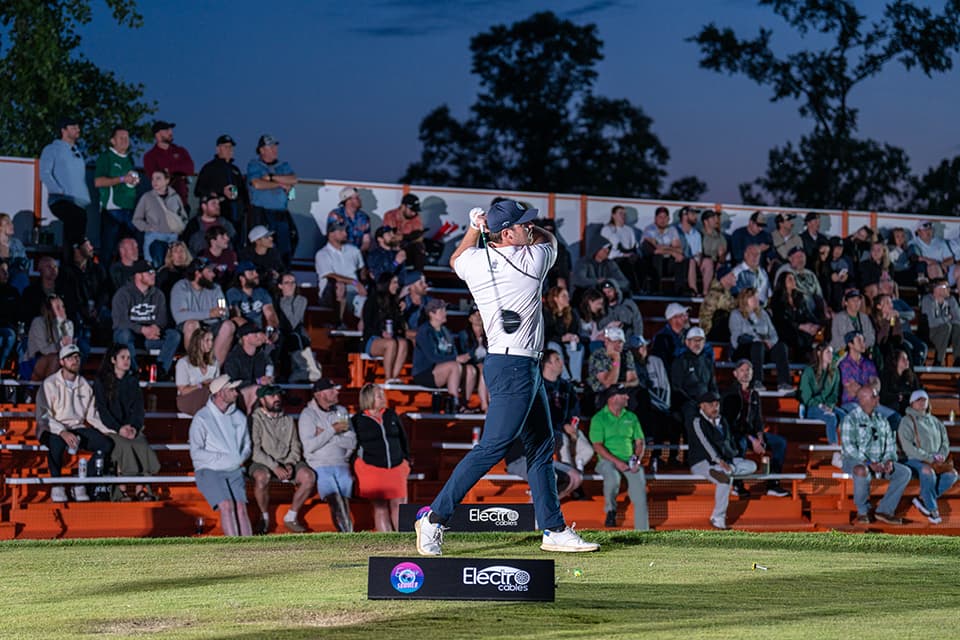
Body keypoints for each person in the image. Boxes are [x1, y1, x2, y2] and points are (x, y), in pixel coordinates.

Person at [415, 200, 598, 555]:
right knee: (492, 447)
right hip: (514, 367)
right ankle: (434, 518)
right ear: (508, 233)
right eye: (524, 226)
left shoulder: (477, 262)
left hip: (516, 365)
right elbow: (550, 240)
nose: (531, 229)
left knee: (543, 446)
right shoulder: (530, 262)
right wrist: (499, 231)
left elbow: (456, 260)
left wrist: (473, 228)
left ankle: (553, 529)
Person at [35, 344, 114, 503]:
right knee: (56, 442)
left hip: (77, 428)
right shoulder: (49, 384)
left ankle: (80, 482)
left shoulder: (84, 385)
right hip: (51, 427)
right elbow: (43, 415)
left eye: (77, 357)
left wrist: (111, 431)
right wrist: (62, 431)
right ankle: (57, 485)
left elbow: (92, 416)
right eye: (70, 358)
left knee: (106, 444)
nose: (75, 361)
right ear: (62, 362)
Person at [93, 343, 161, 500]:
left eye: (129, 358)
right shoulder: (101, 382)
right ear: (113, 360)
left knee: (141, 444)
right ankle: (121, 491)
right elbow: (103, 411)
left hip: (131, 427)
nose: (126, 361)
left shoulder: (132, 381)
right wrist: (119, 428)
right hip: (111, 428)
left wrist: (135, 428)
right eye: (123, 357)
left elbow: (138, 409)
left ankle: (140, 490)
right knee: (122, 446)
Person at [189, 375, 252, 536]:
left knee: (240, 507)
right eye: (231, 389)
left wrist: (238, 459)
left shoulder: (239, 417)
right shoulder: (201, 418)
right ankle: (235, 548)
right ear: (219, 393)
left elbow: (247, 446)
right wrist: (224, 458)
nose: (236, 393)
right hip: (209, 470)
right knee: (226, 505)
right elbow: (196, 452)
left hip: (233, 469)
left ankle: (251, 549)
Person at [248, 385, 315, 534]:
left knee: (308, 476)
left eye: (278, 395)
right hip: (263, 462)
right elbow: (255, 451)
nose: (277, 399)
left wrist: (290, 463)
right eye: (272, 396)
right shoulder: (254, 419)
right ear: (262, 400)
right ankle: (264, 518)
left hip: (287, 460)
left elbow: (295, 446)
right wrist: (274, 467)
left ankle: (291, 516)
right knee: (261, 476)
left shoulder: (288, 419)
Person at [686, 391, 757, 530]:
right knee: (724, 479)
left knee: (752, 465)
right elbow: (705, 443)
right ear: (702, 406)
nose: (715, 407)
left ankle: (728, 470)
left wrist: (730, 459)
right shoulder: (697, 421)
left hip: (725, 461)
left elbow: (728, 443)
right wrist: (719, 461)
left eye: (717, 404)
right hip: (702, 462)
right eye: (711, 404)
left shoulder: (722, 421)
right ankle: (718, 518)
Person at [840, 386, 910, 525]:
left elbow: (890, 444)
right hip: (856, 461)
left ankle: (884, 510)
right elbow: (849, 448)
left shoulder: (882, 420)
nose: (877, 398)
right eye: (874, 396)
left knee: (904, 472)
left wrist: (889, 460)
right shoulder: (851, 419)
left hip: (879, 462)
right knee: (861, 470)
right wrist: (868, 462)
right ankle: (862, 511)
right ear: (863, 400)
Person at [721, 359, 791, 498]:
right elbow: (730, 424)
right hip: (735, 435)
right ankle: (737, 484)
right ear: (735, 373)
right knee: (740, 443)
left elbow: (758, 419)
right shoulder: (730, 393)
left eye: (748, 370)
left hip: (752, 435)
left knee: (780, 442)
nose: (746, 373)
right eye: (742, 370)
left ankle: (773, 484)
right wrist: (752, 439)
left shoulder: (754, 394)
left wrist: (759, 435)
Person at [298, 378, 357, 532]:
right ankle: (347, 534)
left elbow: (352, 442)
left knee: (343, 495)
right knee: (335, 497)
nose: (336, 392)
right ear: (319, 394)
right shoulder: (308, 415)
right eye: (331, 390)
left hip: (341, 462)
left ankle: (346, 532)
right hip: (320, 464)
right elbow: (310, 446)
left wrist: (327, 434)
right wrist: (333, 430)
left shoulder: (341, 412)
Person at [590, 384, 649, 530]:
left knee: (639, 490)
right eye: (624, 395)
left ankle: (642, 531)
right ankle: (611, 510)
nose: (628, 397)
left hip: (629, 460)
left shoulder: (631, 417)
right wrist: (617, 462)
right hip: (607, 460)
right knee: (612, 477)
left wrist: (636, 459)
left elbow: (640, 442)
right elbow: (597, 446)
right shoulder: (599, 418)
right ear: (614, 398)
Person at [352, 383, 410, 532]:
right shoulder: (358, 420)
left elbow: (403, 439)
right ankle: (387, 541)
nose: (383, 398)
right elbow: (352, 445)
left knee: (400, 504)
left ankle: (403, 540)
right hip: (372, 468)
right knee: (380, 507)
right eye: (379, 396)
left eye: (383, 395)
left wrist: (406, 461)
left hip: (396, 467)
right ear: (369, 398)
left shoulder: (390, 415)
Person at [111, 260, 181, 378]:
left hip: (151, 337)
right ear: (138, 275)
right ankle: (134, 370)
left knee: (174, 335)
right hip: (131, 336)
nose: (154, 275)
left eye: (153, 272)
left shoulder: (158, 294)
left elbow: (162, 319)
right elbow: (120, 321)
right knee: (123, 334)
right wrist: (142, 329)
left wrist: (155, 328)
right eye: (149, 273)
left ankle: (161, 369)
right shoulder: (123, 293)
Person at [898, 390, 957, 525]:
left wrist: (941, 455)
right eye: (918, 400)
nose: (922, 402)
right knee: (927, 472)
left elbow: (945, 442)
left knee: (952, 475)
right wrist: (930, 458)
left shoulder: (936, 422)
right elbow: (908, 447)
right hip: (915, 460)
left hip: (936, 461)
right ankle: (932, 509)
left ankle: (924, 499)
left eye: (924, 399)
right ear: (912, 403)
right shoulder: (906, 421)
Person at [412, 298, 477, 413]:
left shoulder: (445, 331)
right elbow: (432, 358)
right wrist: (455, 359)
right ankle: (454, 403)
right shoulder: (425, 331)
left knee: (471, 370)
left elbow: (453, 353)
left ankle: (464, 405)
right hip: (425, 371)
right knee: (454, 366)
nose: (445, 313)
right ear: (432, 314)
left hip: (443, 368)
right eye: (441, 311)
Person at [39, 116, 90, 258]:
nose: (78, 130)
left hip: (79, 201)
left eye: (78, 127)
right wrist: (59, 191)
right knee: (76, 221)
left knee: (74, 228)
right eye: (73, 127)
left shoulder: (78, 152)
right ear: (63, 130)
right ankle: (73, 257)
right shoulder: (52, 149)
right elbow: (45, 173)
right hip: (61, 199)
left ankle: (72, 263)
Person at [247, 135, 298, 267]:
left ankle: (284, 274)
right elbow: (257, 184)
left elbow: (293, 180)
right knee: (262, 246)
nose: (274, 149)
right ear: (262, 150)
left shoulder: (284, 165)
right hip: (261, 213)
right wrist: (280, 184)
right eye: (270, 147)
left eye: (275, 146)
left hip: (281, 212)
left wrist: (270, 177)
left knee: (286, 244)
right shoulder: (254, 165)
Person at [170, 258, 234, 364]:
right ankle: (196, 367)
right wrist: (209, 313)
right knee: (192, 324)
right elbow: (179, 316)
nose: (213, 275)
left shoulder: (215, 288)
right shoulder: (181, 287)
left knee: (229, 325)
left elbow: (224, 312)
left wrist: (218, 313)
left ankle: (214, 369)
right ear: (198, 273)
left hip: (212, 325)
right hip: (189, 327)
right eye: (209, 271)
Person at [93, 126, 140, 268]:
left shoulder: (130, 159)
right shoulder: (106, 157)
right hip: (113, 211)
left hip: (130, 211)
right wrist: (121, 179)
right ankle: (104, 284)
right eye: (121, 138)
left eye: (127, 138)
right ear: (112, 141)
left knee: (129, 252)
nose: (125, 141)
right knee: (108, 252)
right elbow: (98, 182)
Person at [729, 287, 793, 390]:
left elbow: (773, 333)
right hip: (745, 348)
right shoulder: (736, 315)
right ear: (745, 299)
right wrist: (759, 340)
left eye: (756, 297)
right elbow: (736, 337)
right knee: (757, 346)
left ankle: (784, 382)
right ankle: (757, 381)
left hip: (765, 348)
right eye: (752, 298)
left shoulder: (763, 314)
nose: (756, 300)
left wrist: (770, 342)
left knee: (781, 347)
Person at [194, 134, 249, 234]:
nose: (229, 150)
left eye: (231, 147)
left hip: (237, 216)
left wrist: (245, 208)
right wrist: (220, 191)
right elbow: (198, 190)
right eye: (226, 147)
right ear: (218, 149)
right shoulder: (209, 168)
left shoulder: (235, 170)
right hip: (219, 216)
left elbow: (242, 191)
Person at [133, 169, 188, 268]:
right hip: (155, 237)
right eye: (153, 179)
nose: (154, 182)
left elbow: (183, 216)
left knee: (172, 267)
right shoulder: (147, 197)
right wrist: (148, 228)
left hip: (172, 237)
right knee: (155, 267)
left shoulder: (175, 197)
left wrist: (180, 228)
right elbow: (136, 219)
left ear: (167, 180)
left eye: (158, 178)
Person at [315, 221, 366, 326]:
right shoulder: (322, 254)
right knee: (339, 286)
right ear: (331, 234)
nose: (345, 234)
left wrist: (364, 280)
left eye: (345, 230)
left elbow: (362, 268)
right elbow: (330, 275)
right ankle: (339, 323)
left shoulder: (353, 250)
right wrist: (355, 282)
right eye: (341, 231)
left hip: (355, 288)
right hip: (331, 291)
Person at [362, 272, 409, 384]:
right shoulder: (372, 300)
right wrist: (381, 333)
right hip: (373, 338)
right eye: (394, 283)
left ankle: (394, 377)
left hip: (390, 337)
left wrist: (400, 312)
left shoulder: (394, 303)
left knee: (403, 343)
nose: (397, 286)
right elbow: (368, 324)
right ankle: (388, 378)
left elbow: (398, 327)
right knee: (391, 344)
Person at [276, 273, 323, 383]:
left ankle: (301, 372)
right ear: (280, 286)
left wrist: (285, 301)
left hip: (297, 337)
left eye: (293, 282)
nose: (291, 285)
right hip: (281, 338)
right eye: (286, 283)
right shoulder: (275, 301)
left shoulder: (301, 300)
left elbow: (293, 322)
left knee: (295, 337)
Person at [798, 344, 846, 445]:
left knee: (844, 416)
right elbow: (806, 398)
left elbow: (834, 394)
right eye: (828, 352)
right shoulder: (809, 372)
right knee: (831, 417)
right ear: (819, 353)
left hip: (827, 405)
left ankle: (847, 447)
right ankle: (834, 449)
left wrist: (830, 405)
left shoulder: (835, 372)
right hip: (812, 407)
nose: (831, 355)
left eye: (832, 353)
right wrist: (821, 405)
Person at [670, 327, 718, 426]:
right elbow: (676, 388)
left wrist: (713, 401)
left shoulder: (707, 362)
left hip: (706, 402)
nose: (698, 343)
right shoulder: (680, 362)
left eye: (700, 340)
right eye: (694, 340)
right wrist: (696, 403)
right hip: (687, 403)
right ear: (687, 342)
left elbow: (712, 386)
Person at [143, 120, 195, 207]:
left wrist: (169, 170)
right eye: (166, 130)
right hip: (163, 204)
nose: (170, 132)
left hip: (182, 202)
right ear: (158, 134)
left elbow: (190, 168)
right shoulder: (150, 156)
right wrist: (179, 172)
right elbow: (156, 178)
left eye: (170, 130)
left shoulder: (180, 151)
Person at [223, 322, 273, 413]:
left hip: (258, 392)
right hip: (238, 394)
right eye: (255, 334)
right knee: (256, 390)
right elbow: (231, 382)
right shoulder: (234, 357)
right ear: (245, 337)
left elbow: (270, 366)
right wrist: (257, 381)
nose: (259, 336)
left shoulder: (261, 354)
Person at [770, 271, 821, 358]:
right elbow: (781, 320)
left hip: (801, 328)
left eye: (794, 279)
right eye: (790, 279)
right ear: (783, 282)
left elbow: (807, 313)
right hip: (786, 329)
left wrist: (815, 325)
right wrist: (801, 326)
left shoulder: (799, 297)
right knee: (798, 337)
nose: (793, 281)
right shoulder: (776, 299)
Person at [26, 293, 74, 381]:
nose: (62, 310)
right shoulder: (38, 323)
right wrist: (61, 344)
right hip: (34, 361)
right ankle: (49, 391)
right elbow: (44, 351)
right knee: (54, 359)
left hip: (59, 360)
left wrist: (62, 324)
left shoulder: (68, 324)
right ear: (49, 310)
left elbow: (68, 348)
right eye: (57, 308)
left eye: (62, 306)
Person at [175, 326, 221, 416]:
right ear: (198, 342)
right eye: (207, 340)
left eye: (211, 340)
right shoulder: (184, 363)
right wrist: (201, 385)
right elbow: (183, 391)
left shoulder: (214, 362)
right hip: (188, 398)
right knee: (206, 392)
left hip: (209, 397)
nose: (210, 344)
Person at [542, 285, 584, 381]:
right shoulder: (547, 313)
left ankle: (576, 379)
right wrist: (561, 338)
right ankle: (565, 378)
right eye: (564, 296)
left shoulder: (572, 313)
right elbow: (546, 334)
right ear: (555, 298)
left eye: (567, 296)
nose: (567, 299)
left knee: (578, 347)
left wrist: (575, 337)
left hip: (567, 343)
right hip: (553, 342)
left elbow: (577, 331)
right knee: (553, 346)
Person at [640, 206, 684, 293]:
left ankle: (680, 290)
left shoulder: (672, 230)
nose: (662, 220)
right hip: (652, 261)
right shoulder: (649, 230)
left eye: (665, 217)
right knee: (657, 257)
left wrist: (666, 248)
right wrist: (672, 251)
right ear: (655, 218)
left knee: (681, 258)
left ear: (668, 219)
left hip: (667, 261)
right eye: (660, 217)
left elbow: (679, 249)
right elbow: (655, 250)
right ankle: (656, 290)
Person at [456, 304, 490, 412]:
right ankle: (484, 405)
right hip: (469, 365)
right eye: (475, 314)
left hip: (485, 366)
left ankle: (488, 403)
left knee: (486, 369)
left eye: (480, 313)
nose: (478, 316)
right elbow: (465, 355)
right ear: (470, 318)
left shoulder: (489, 335)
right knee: (482, 369)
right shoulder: (464, 335)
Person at [181, 192, 238, 258]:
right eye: (213, 203)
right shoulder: (193, 225)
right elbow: (186, 248)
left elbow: (235, 243)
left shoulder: (225, 224)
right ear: (204, 206)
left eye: (218, 203)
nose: (217, 206)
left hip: (225, 263)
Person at [226, 261, 278, 331]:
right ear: (241, 278)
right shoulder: (233, 293)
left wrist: (272, 329)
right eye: (251, 273)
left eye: (255, 272)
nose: (256, 274)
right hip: (242, 330)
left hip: (260, 330)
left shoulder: (262, 292)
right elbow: (236, 317)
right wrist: (253, 331)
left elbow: (270, 314)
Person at [600, 205, 641, 293]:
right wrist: (624, 255)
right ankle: (629, 289)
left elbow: (635, 246)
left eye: (624, 214)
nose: (623, 216)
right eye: (620, 213)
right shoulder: (607, 229)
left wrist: (635, 254)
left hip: (629, 255)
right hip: (614, 258)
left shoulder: (629, 230)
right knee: (626, 264)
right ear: (613, 215)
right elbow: (606, 250)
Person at [920, 278, 960, 366]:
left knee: (957, 326)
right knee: (946, 326)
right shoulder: (928, 300)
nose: (949, 289)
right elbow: (931, 323)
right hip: (930, 333)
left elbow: (958, 318)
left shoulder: (950, 300)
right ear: (937, 289)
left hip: (945, 333)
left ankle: (957, 359)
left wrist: (952, 302)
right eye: (946, 287)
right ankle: (939, 360)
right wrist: (948, 317)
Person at [382, 193, 426, 270]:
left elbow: (419, 236)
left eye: (415, 211)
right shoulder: (390, 215)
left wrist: (403, 237)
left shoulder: (416, 217)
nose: (414, 213)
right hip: (392, 247)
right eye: (412, 210)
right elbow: (390, 237)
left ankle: (418, 276)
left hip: (408, 247)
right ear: (403, 206)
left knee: (419, 247)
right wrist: (408, 237)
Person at [699, 265, 737, 342]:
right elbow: (734, 306)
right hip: (710, 333)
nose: (735, 277)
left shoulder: (725, 292)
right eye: (732, 274)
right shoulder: (716, 293)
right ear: (725, 278)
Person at [328, 186, 372, 253]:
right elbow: (332, 238)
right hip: (338, 254)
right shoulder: (335, 215)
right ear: (348, 200)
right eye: (357, 198)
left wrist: (358, 254)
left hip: (359, 255)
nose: (360, 199)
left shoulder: (364, 217)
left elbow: (366, 241)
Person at [879, 348, 920, 416]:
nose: (906, 361)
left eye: (907, 359)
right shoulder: (886, 376)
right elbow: (883, 396)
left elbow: (916, 393)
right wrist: (897, 397)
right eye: (903, 359)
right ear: (895, 361)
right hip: (892, 408)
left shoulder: (912, 377)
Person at [675, 205, 705, 296]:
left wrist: (699, 260)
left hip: (692, 262)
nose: (696, 217)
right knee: (689, 260)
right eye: (693, 214)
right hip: (677, 260)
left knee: (694, 261)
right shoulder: (675, 230)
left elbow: (698, 252)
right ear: (684, 215)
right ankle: (693, 289)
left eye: (696, 214)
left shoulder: (697, 234)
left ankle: (700, 291)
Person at [651, 302, 690, 371]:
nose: (686, 318)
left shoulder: (687, 334)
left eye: (686, 315)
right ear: (673, 319)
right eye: (682, 315)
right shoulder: (661, 338)